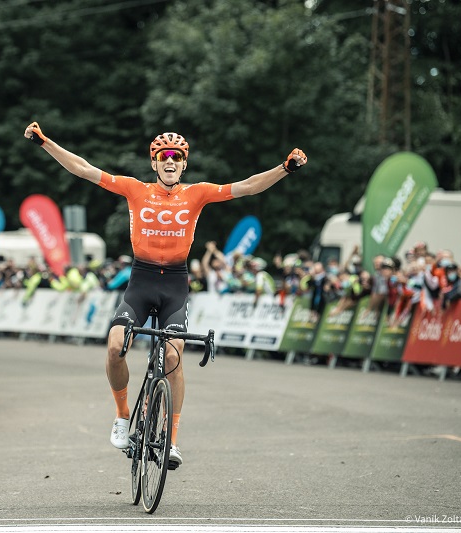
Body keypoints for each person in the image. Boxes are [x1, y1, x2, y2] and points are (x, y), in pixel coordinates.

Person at [23, 121, 306, 468]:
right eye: (163, 156)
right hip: (141, 283)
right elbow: (84, 169)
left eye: (176, 157)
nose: (170, 161)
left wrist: (284, 168)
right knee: (114, 346)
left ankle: (171, 441)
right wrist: (45, 142)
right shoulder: (134, 189)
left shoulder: (198, 193)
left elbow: (247, 187)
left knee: (173, 357)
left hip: (175, 285)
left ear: (184, 164)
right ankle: (123, 415)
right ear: (154, 162)